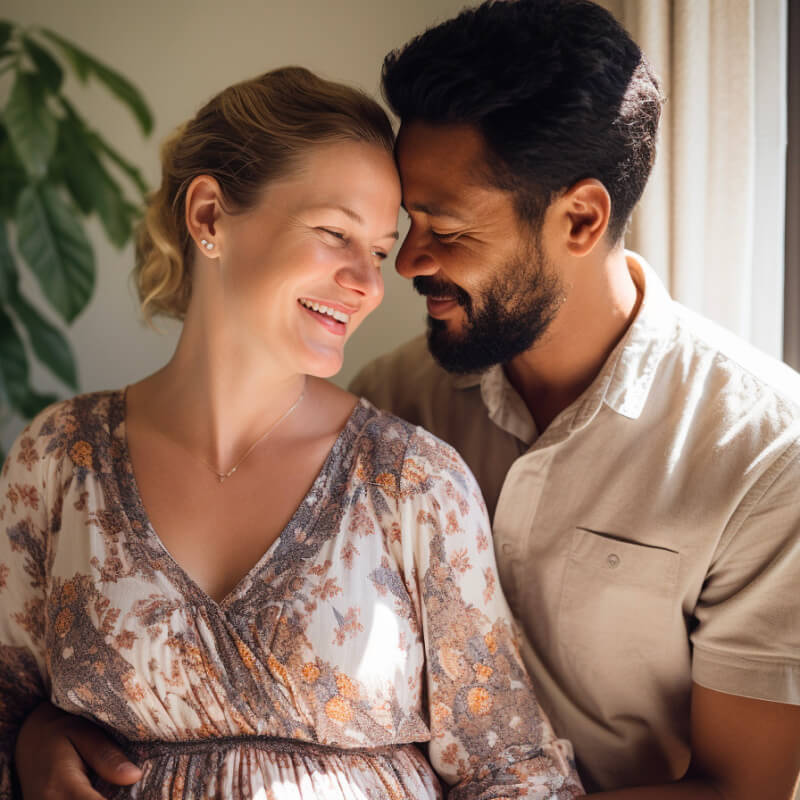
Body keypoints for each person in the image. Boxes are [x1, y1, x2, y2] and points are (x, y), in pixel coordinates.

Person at [12, 0, 800, 796]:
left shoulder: (762, 452)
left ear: (583, 218)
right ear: (209, 216)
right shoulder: (396, 394)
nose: (397, 269)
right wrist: (28, 734)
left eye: (440, 229)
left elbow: (735, 791)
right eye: (383, 228)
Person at [0, 66, 584, 799]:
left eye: (377, 250)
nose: (370, 284)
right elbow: (6, 699)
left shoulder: (414, 483)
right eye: (335, 233)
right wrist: (27, 739)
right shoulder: (58, 458)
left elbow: (510, 769)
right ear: (209, 215)